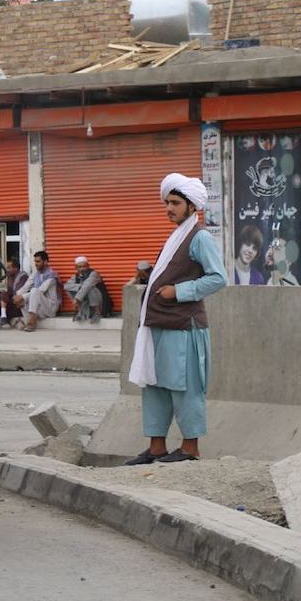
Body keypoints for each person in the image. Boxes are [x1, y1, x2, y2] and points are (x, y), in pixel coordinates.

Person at [125, 173, 227, 465]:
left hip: (184, 327)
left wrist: (178, 291)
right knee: (154, 385)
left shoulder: (200, 237)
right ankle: (156, 447)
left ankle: (190, 448)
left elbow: (218, 278)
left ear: (192, 206)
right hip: (158, 324)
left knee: (185, 386)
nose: (169, 208)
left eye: (175, 203)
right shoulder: (176, 235)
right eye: (167, 202)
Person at [12, 251, 61, 332]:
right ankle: (28, 321)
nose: (36, 264)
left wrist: (22, 296)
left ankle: (31, 322)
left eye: (38, 261)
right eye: (35, 261)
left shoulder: (51, 276)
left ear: (45, 262)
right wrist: (17, 295)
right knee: (21, 300)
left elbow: (41, 290)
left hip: (50, 308)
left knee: (34, 291)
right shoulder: (35, 274)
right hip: (39, 308)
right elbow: (25, 287)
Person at [64, 256, 110, 323]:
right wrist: (79, 287)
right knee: (71, 289)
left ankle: (97, 312)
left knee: (90, 288)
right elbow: (66, 286)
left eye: (84, 266)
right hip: (86, 301)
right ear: (76, 268)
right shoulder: (76, 276)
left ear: (88, 266)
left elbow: (87, 285)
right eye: (79, 267)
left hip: (99, 302)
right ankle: (81, 310)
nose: (82, 269)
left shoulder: (94, 274)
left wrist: (77, 298)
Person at [0, 258, 27, 329]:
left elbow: (18, 293)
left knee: (5, 289)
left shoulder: (23, 277)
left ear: (16, 268)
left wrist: (5, 290)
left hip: (18, 306)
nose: (6, 270)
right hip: (7, 305)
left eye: (9, 268)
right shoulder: (8, 277)